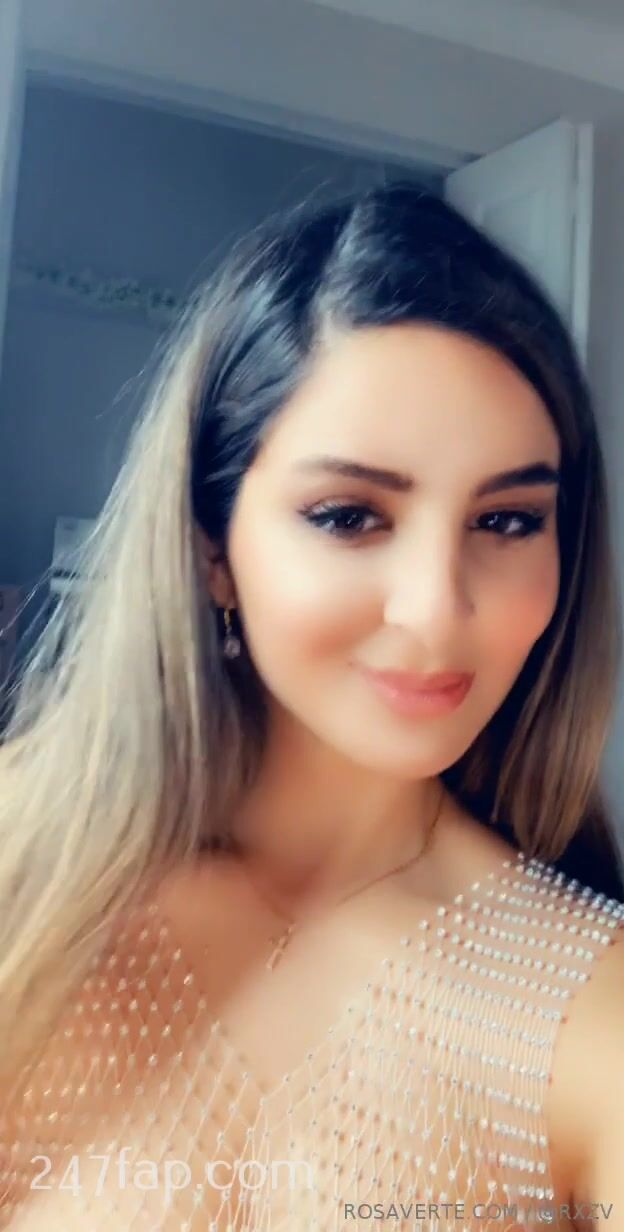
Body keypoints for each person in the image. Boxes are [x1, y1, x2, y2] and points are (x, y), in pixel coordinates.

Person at [0, 181, 622, 1231]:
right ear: (212, 548)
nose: (436, 610)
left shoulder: (593, 1009)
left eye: (508, 521)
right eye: (348, 515)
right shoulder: (21, 869)